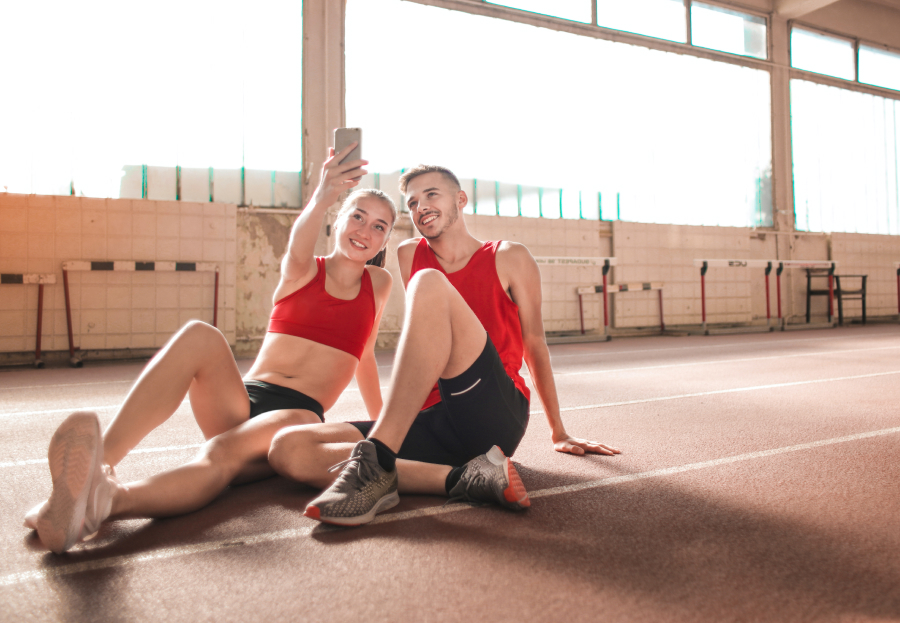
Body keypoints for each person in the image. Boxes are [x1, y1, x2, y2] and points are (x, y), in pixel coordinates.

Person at [27, 144, 396, 553]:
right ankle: (95, 471)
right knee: (200, 333)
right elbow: (298, 241)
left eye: (379, 226)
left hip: (297, 413)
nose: (365, 230)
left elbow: (362, 352)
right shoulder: (303, 270)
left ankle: (104, 503)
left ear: (385, 240)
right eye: (357, 217)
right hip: (244, 397)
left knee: (219, 452)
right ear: (336, 222)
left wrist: (384, 427)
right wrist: (324, 192)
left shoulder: (379, 285)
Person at [267, 164, 620, 526]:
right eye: (413, 202)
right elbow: (428, 338)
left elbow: (534, 344)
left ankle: (377, 457)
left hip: (494, 413)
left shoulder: (510, 256)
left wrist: (558, 431)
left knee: (429, 284)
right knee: (288, 448)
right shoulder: (408, 255)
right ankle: (464, 479)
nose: (421, 207)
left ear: (460, 199)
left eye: (431, 195)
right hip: (436, 421)